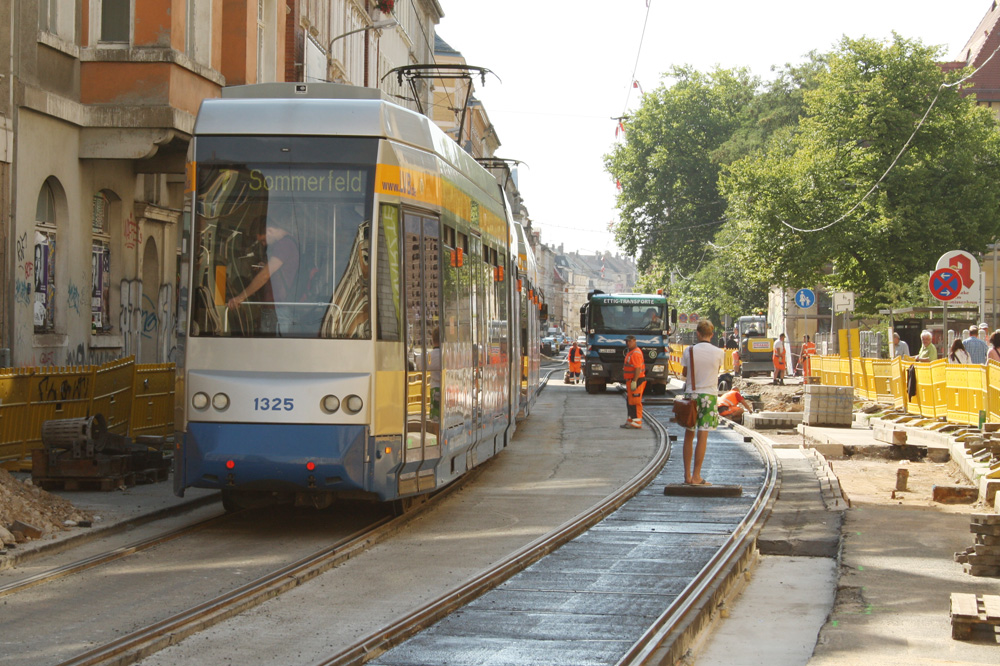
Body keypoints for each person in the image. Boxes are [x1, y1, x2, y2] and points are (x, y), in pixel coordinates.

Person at [228, 216, 299, 334]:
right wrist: (264, 266)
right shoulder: (289, 243)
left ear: (269, 230)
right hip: (277, 309)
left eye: (263, 240)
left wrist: (241, 297)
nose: (264, 244)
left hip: (277, 310)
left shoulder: (284, 245)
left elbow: (265, 275)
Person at [681, 319, 725, 485]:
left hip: (692, 396)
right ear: (712, 335)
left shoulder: (689, 351)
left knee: (688, 435)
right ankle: (697, 476)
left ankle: (687, 476)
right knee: (702, 436)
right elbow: (717, 370)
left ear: (697, 333)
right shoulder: (719, 353)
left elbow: (685, 373)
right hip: (709, 396)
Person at [621, 335, 646, 429]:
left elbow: (637, 368)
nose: (627, 343)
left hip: (636, 380)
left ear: (634, 341)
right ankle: (631, 420)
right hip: (631, 380)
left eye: (629, 341)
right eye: (626, 341)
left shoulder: (635, 353)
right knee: (630, 401)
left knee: (635, 401)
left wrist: (634, 381)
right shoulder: (631, 352)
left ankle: (637, 421)